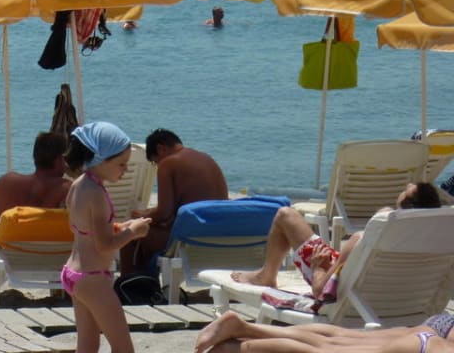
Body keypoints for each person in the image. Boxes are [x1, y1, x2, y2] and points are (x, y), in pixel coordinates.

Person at [230, 182, 441, 298]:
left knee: (285, 215)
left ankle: (266, 275)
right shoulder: (429, 246)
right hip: (387, 293)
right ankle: (266, 273)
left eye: (406, 191)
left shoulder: (360, 240)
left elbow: (320, 291)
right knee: (289, 216)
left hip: (341, 284)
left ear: (406, 205)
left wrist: (318, 266)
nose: (405, 186)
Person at [62, 121, 151, 353]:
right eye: (121, 164)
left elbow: (86, 229)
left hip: (74, 274)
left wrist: (120, 226)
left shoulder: (78, 185)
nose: (125, 170)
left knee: (88, 346)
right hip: (93, 278)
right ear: (101, 160)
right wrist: (133, 232)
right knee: (123, 348)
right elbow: (103, 245)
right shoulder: (97, 194)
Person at [120, 128, 228, 275]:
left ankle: (130, 288)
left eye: (155, 162)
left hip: (190, 241)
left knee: (129, 232)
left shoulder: (169, 163)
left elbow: (164, 213)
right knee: (149, 232)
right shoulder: (205, 158)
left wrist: (140, 216)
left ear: (160, 148)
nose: (158, 166)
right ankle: (146, 285)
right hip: (219, 236)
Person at [0, 131, 71, 245]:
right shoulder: (67, 189)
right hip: (45, 248)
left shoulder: (8, 181)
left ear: (35, 156)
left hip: (2, 248)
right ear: (60, 159)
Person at [195, 309, 454, 353]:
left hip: (440, 329)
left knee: (339, 339)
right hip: (429, 346)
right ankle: (236, 347)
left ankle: (243, 328)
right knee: (327, 349)